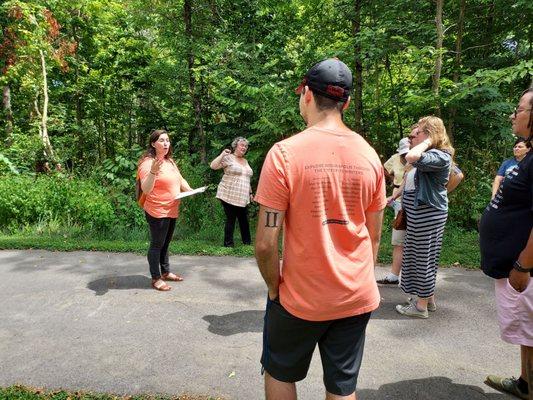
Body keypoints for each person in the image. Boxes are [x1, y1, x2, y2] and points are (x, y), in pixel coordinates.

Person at [254, 58, 385, 400]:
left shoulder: (284, 154)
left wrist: (273, 289)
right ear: (347, 102)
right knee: (342, 386)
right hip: (355, 294)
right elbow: (373, 235)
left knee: (280, 371)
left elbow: (267, 244)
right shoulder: (370, 156)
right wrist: (359, 278)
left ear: (307, 96)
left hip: (300, 298)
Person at [480, 88, 533, 400]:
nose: (513, 115)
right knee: (527, 331)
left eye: (519, 109)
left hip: (524, 267)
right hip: (516, 265)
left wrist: (523, 264)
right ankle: (526, 384)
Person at [394, 116, 454, 319]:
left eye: (417, 133)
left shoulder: (440, 155)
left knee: (423, 258)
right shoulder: (432, 154)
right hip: (420, 213)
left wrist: (428, 140)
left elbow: (410, 157)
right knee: (421, 256)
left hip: (427, 213)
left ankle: (420, 307)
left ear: (430, 134)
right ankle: (427, 299)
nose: (412, 136)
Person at [137, 129, 193, 291]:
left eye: (167, 140)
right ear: (153, 144)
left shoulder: (170, 162)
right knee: (157, 244)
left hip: (171, 208)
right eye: (161, 140)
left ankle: (166, 272)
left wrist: (190, 190)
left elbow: (180, 179)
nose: (166, 143)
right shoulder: (148, 163)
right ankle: (156, 278)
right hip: (157, 210)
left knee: (165, 243)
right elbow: (146, 189)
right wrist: (154, 170)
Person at [377, 137, 410, 285]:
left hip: (413, 200)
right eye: (403, 154)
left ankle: (412, 279)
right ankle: (394, 276)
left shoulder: (421, 159)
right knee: (398, 239)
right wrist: (391, 181)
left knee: (413, 241)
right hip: (397, 199)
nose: (405, 156)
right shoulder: (395, 158)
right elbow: (382, 168)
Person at [210, 137, 253, 247]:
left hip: (243, 196)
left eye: (246, 146)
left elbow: (247, 178)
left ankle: (247, 243)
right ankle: (228, 244)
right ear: (235, 146)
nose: (244, 147)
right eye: (242, 145)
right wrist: (222, 154)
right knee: (231, 218)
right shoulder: (228, 158)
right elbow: (213, 166)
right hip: (228, 194)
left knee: (244, 219)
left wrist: (250, 193)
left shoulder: (245, 161)